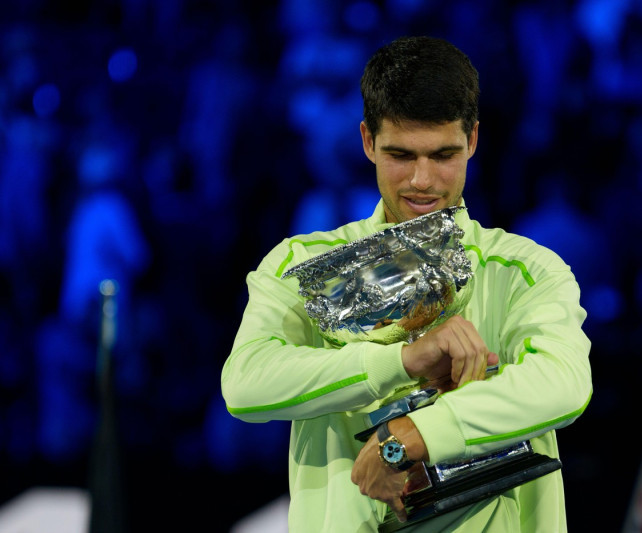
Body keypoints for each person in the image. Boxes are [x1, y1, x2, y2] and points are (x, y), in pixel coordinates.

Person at [221, 36, 592, 532]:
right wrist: (402, 361)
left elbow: (564, 384)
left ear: (473, 141)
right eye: (401, 154)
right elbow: (246, 383)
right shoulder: (302, 264)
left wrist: (410, 437)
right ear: (368, 141)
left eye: (443, 154)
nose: (422, 180)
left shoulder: (524, 270)